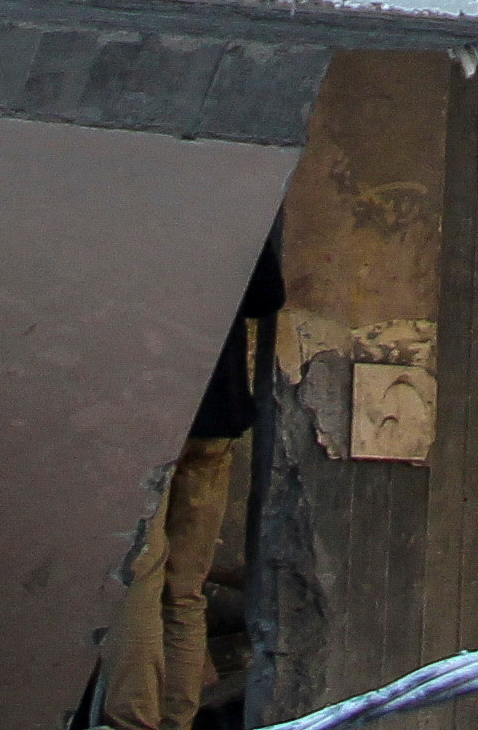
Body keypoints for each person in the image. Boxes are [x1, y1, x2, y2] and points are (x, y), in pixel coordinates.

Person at [107, 234, 280, 730]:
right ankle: (177, 721)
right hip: (215, 416)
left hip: (146, 419)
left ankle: (133, 721)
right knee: (185, 586)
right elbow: (267, 297)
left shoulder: (127, 221)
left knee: (141, 576)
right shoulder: (239, 201)